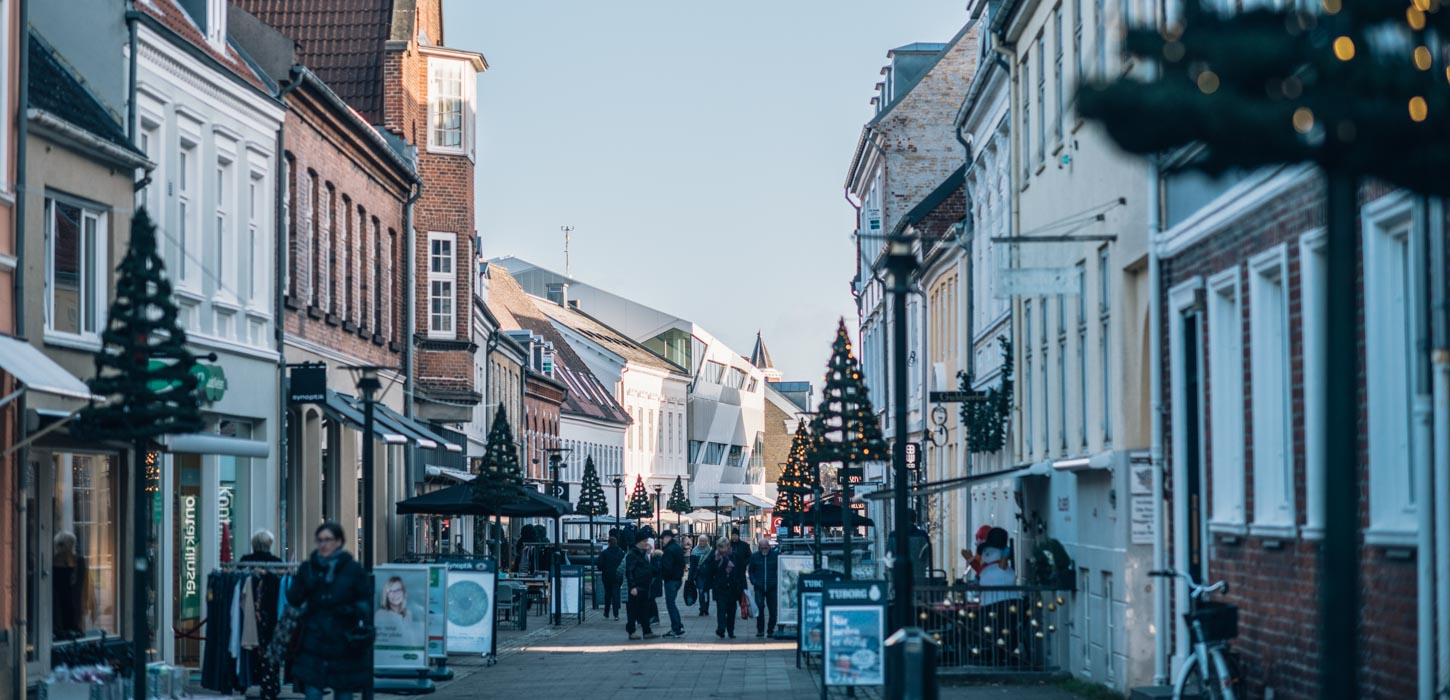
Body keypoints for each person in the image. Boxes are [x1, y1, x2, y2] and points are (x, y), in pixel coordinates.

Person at [286, 522, 370, 700]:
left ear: (339, 541)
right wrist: (305, 583)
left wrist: (350, 611)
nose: (323, 544)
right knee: (313, 691)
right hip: (314, 640)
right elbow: (294, 598)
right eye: (320, 540)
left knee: (344, 692)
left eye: (328, 540)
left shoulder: (352, 569)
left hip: (343, 640)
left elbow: (365, 601)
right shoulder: (308, 568)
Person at [239, 530, 283, 700]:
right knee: (269, 649)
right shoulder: (277, 564)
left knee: (248, 646)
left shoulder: (244, 562)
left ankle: (245, 680)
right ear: (270, 544)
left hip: (248, 612)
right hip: (270, 613)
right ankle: (270, 684)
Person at [52, 531, 89, 640]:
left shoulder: (79, 561)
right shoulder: (52, 560)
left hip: (73, 598)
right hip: (58, 598)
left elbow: (82, 583)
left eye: (62, 545)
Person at [700, 540, 741, 639]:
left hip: (732, 587)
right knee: (721, 610)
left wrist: (742, 587)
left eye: (723, 547)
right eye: (720, 547)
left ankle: (731, 630)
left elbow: (740, 571)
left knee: (732, 611)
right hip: (720, 587)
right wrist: (706, 587)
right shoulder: (714, 557)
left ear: (728, 546)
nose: (722, 549)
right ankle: (721, 629)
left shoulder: (734, 556)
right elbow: (709, 573)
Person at [374, 575, 425, 648]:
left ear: (404, 592)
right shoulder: (380, 614)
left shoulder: (408, 614)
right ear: (386, 595)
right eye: (390, 591)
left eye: (398, 590)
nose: (394, 595)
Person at [624, 532, 658, 640]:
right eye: (645, 541)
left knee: (644, 609)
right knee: (633, 610)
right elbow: (629, 571)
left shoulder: (642, 554)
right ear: (639, 542)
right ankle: (632, 631)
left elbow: (648, 568)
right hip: (637, 587)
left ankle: (647, 631)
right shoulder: (633, 554)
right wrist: (632, 586)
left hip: (644, 586)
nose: (646, 543)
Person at [887, 509, 935, 580]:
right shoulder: (923, 535)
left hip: (899, 577)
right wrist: (921, 566)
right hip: (919, 576)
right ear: (915, 519)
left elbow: (889, 557)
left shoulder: (893, 536)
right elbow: (927, 557)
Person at [747, 537, 780, 638]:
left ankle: (770, 629)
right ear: (759, 548)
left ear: (769, 547)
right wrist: (754, 581)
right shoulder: (755, 556)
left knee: (773, 610)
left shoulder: (775, 556)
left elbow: (780, 569)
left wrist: (777, 581)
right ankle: (760, 630)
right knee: (759, 608)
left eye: (766, 547)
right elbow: (750, 571)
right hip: (759, 586)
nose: (764, 549)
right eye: (762, 548)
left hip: (772, 586)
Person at [659, 530, 687, 637]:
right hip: (678, 579)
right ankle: (677, 626)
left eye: (663, 538)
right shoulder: (677, 548)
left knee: (670, 604)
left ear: (667, 537)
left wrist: (662, 574)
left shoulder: (669, 550)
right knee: (672, 603)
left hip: (671, 580)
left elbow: (667, 567)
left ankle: (677, 627)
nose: (662, 540)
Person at [596, 536, 625, 620]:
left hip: (607, 576)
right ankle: (616, 614)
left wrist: (603, 568)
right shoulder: (620, 552)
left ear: (609, 543)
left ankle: (606, 612)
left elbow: (599, 565)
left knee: (607, 594)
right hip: (617, 576)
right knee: (616, 594)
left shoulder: (604, 553)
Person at [728, 528, 752, 619]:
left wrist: (744, 564)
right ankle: (732, 610)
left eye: (735, 535)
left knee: (742, 591)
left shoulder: (744, 545)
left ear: (738, 536)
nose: (734, 537)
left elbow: (749, 556)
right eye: (733, 535)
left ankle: (744, 609)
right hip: (730, 572)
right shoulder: (728, 545)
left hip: (741, 572)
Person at [689, 535, 713, 616]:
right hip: (699, 575)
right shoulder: (694, 551)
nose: (702, 542)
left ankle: (706, 608)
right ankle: (702, 608)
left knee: (706, 592)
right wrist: (690, 577)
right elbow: (692, 565)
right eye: (701, 541)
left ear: (707, 542)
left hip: (708, 575)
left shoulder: (710, 551)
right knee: (701, 591)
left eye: (704, 541)